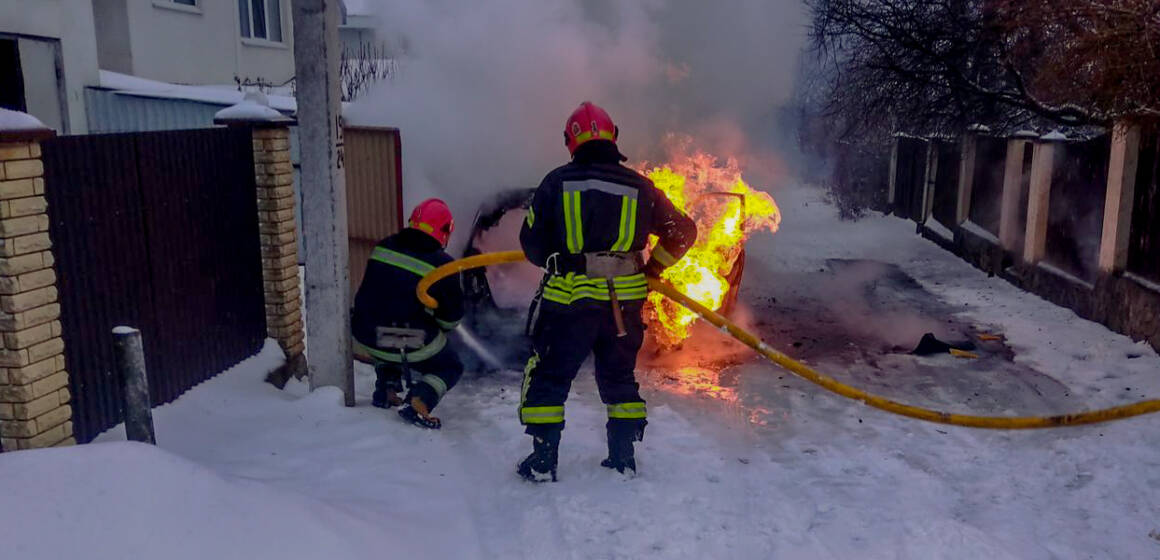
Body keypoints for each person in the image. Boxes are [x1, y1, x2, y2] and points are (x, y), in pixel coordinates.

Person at [516, 101, 697, 481]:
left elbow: (531, 243)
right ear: (613, 137)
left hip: (569, 306)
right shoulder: (640, 186)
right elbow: (683, 232)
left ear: (571, 141)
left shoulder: (556, 182)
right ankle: (622, 458)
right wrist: (652, 269)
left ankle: (544, 461)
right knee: (618, 377)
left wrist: (558, 255)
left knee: (550, 377)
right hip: (624, 306)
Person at [352, 198, 464, 429]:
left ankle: (387, 389)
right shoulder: (444, 266)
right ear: (444, 230)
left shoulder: (384, 246)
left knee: (390, 329)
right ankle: (420, 401)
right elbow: (450, 319)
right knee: (451, 366)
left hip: (364, 333)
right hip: (401, 340)